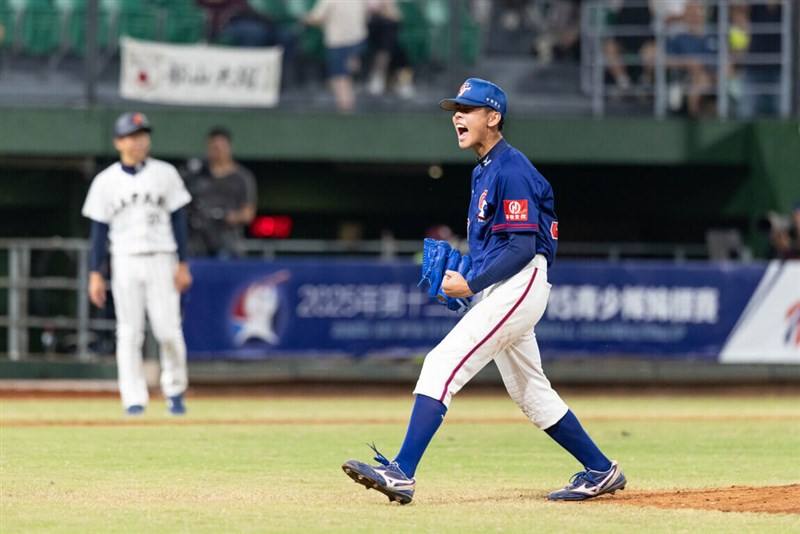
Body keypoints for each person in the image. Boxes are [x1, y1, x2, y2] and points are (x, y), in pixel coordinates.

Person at [342, 78, 626, 504]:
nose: (457, 115)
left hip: (523, 279)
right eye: (456, 108)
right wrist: (474, 280)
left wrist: (471, 281)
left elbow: (522, 245)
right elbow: (500, 245)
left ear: (493, 118)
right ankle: (602, 470)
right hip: (507, 285)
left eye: (468, 109)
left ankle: (401, 472)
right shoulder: (486, 169)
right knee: (531, 391)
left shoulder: (511, 170)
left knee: (441, 362)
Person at [82, 112, 192, 416]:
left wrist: (183, 263)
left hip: (161, 257)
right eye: (131, 135)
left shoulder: (166, 173)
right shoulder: (106, 181)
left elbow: (180, 222)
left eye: (142, 134)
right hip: (125, 259)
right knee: (129, 332)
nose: (138, 140)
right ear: (119, 141)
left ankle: (175, 391)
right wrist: (95, 273)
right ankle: (133, 398)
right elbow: (98, 232)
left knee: (168, 329)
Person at [184, 127, 257, 258]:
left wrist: (225, 216)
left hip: (227, 243)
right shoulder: (196, 174)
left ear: (229, 147)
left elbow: (248, 214)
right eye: (214, 147)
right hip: (197, 243)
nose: (217, 151)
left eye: (221, 147)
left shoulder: (241, 177)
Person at [303, 0, 369, 112]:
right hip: (359, 40)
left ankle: (346, 106)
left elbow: (316, 17)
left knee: (339, 76)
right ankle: (350, 102)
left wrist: (304, 19)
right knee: (348, 74)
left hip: (338, 41)